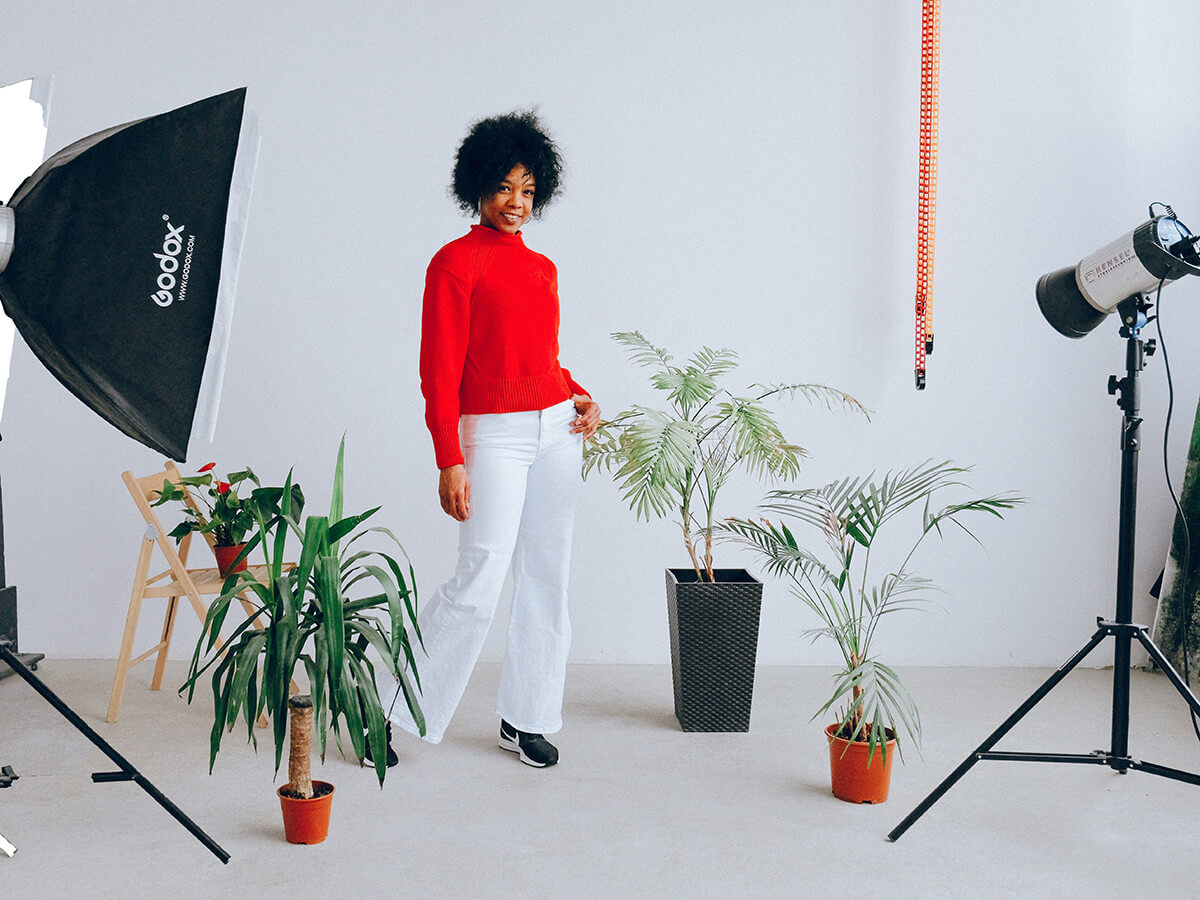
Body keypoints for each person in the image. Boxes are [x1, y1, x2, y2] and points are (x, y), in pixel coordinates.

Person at [377, 110, 599, 769]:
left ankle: (524, 718)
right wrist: (449, 459)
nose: (516, 203)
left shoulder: (543, 268)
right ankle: (385, 709)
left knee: (546, 579)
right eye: (505, 187)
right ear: (477, 187)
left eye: (529, 190)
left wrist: (578, 393)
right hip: (492, 438)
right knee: (478, 580)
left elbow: (540, 359)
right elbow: (438, 373)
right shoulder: (453, 264)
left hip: (557, 430)